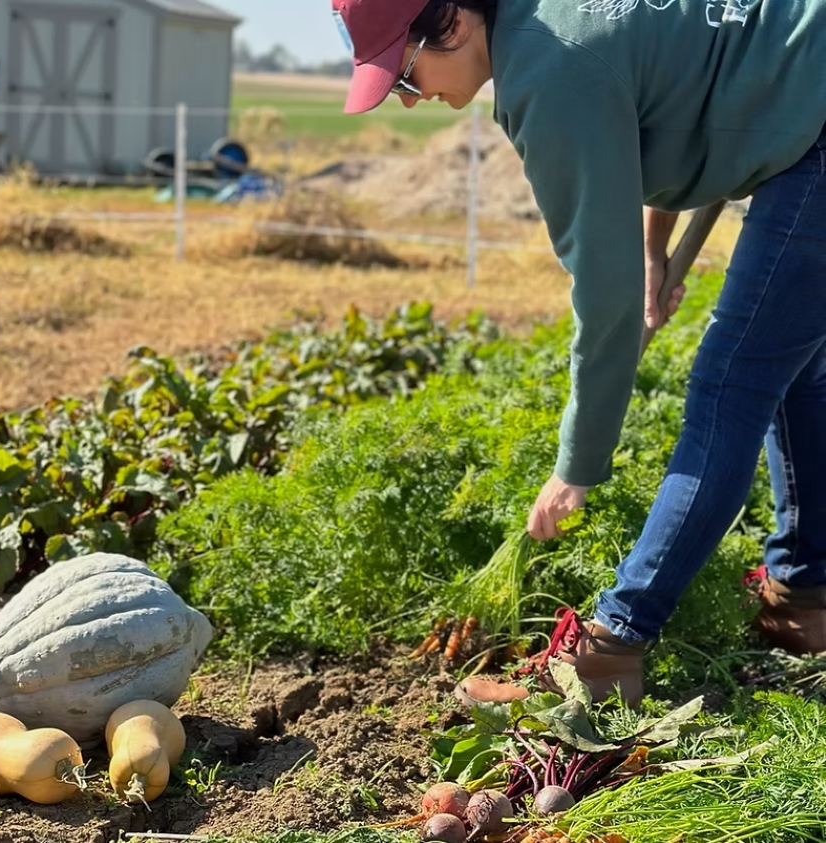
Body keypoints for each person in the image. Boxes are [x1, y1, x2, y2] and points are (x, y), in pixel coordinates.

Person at [331, 0, 826, 707]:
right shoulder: (554, 18)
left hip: (814, 123)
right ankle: (804, 601)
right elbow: (680, 94)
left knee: (731, 388)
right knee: (790, 365)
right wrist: (653, 244)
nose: (409, 100)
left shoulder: (548, 72)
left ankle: (608, 651)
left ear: (454, 23)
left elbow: (606, 292)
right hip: (806, 98)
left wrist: (578, 465)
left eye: (404, 76)